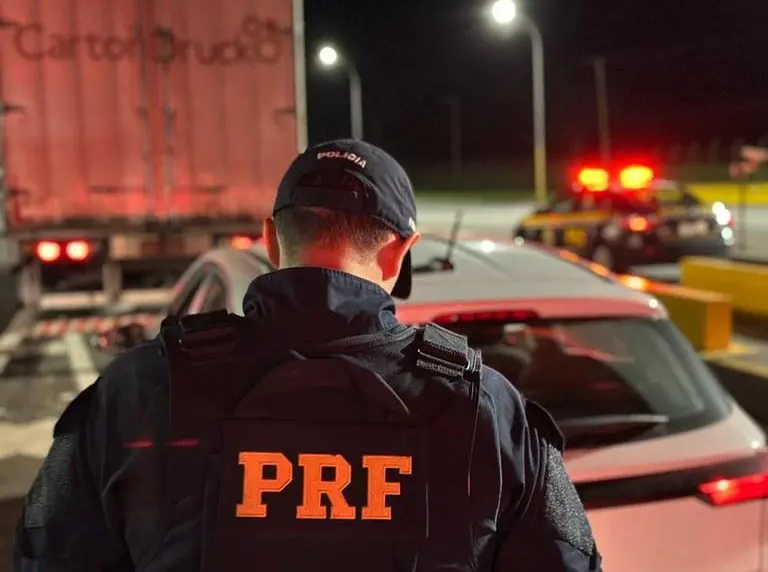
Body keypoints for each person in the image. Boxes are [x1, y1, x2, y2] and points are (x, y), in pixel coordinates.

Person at [13, 139, 602, 571]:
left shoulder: (140, 387)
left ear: (272, 240)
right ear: (399, 254)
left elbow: (48, 554)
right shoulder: (485, 406)